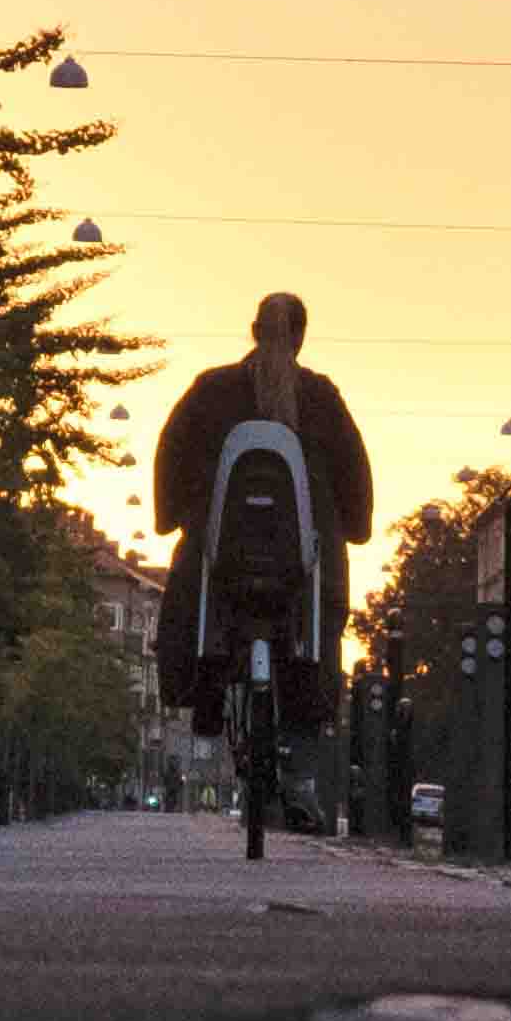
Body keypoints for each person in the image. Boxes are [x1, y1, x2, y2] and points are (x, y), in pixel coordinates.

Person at [147, 292, 375, 805]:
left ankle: (205, 700)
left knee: (197, 592)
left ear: (252, 330)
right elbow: (352, 472)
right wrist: (354, 527)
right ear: (301, 337)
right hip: (301, 560)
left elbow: (172, 453)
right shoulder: (320, 397)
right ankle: (302, 764)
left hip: (221, 555)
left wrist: (174, 517)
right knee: (314, 625)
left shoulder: (211, 390)